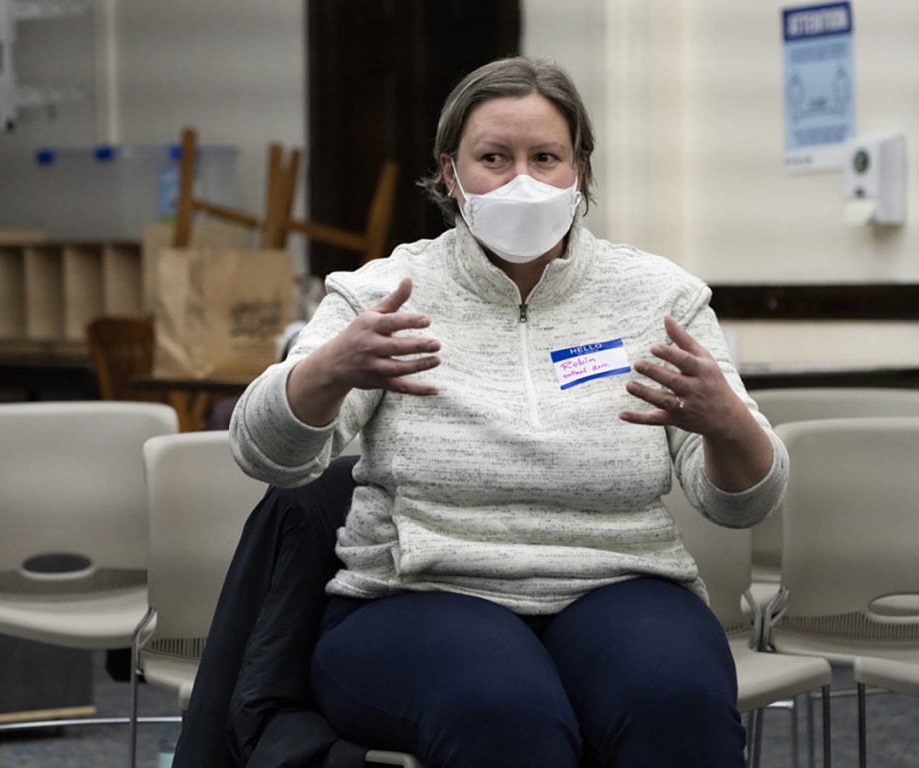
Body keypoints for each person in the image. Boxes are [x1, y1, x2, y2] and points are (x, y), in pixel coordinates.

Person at [229, 56, 787, 768]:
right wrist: (326, 373)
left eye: (545, 157)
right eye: (493, 158)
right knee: (504, 711)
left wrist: (726, 423)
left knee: (674, 700)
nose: (522, 180)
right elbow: (262, 452)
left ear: (579, 170)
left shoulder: (658, 296)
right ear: (450, 173)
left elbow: (745, 505)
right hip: (416, 593)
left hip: (620, 583)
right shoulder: (385, 291)